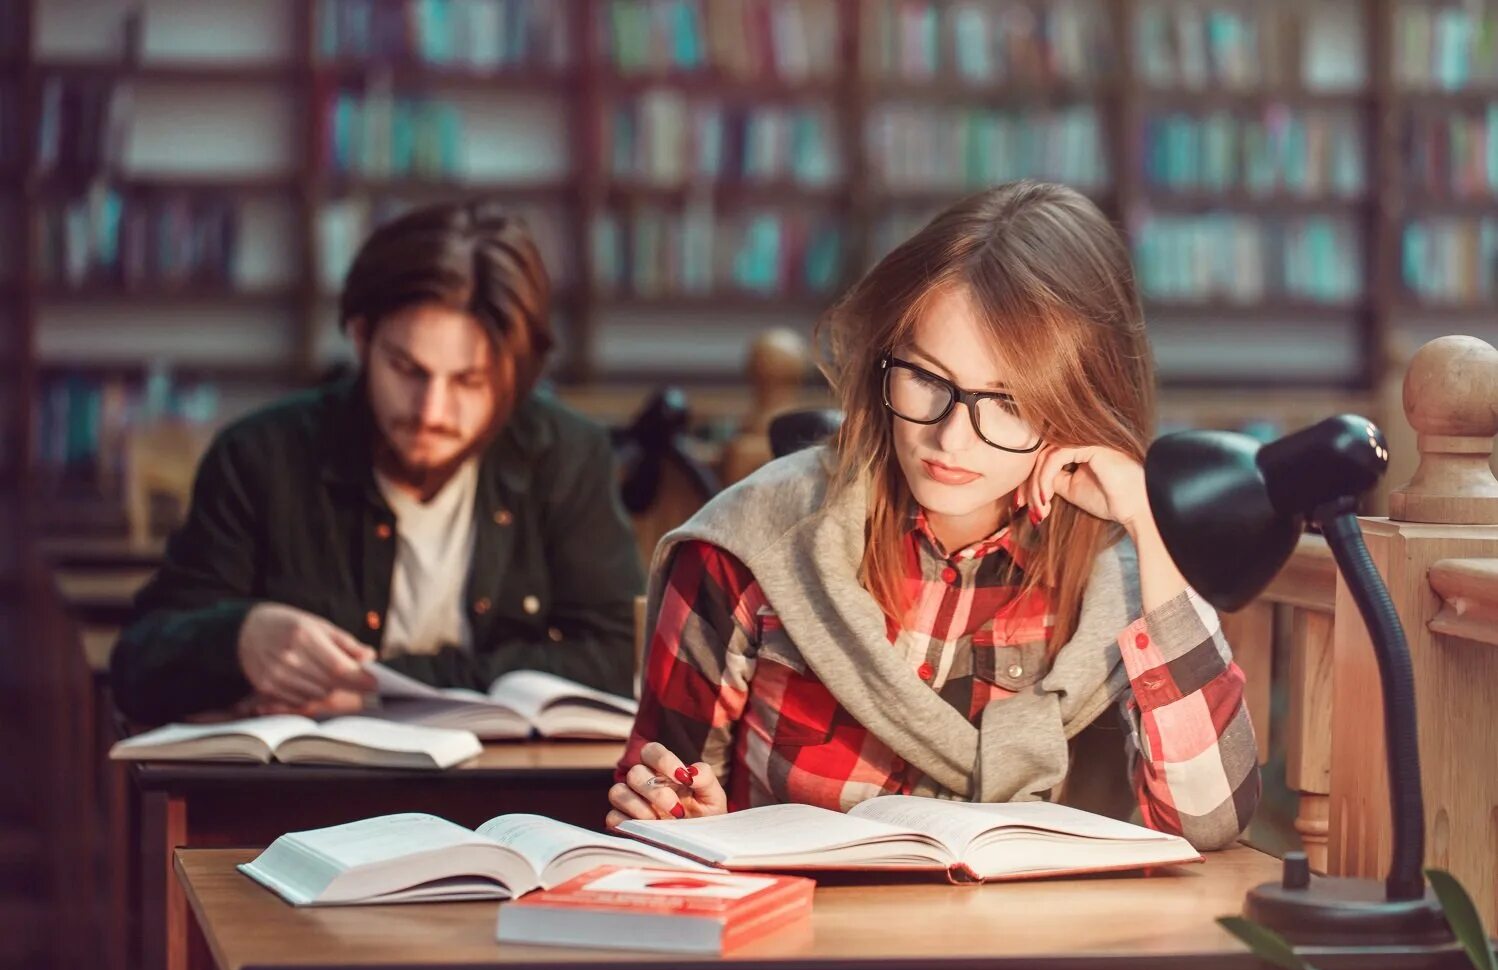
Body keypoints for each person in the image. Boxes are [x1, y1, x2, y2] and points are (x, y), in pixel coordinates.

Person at [609, 181, 1259, 849]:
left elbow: (1206, 824)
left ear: (1079, 406)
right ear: (881, 363)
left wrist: (1148, 525)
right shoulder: (748, 545)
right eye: (925, 377)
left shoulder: (1122, 577)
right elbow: (658, 812)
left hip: (1049, 948)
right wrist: (679, 819)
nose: (951, 439)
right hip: (811, 945)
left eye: (1007, 401)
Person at [112, 202, 644, 724]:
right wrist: (238, 640)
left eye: (469, 381)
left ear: (514, 375)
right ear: (361, 337)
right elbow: (136, 667)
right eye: (406, 368)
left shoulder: (567, 457)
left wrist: (382, 684)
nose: (431, 411)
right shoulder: (259, 457)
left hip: (512, 793)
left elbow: (620, 656)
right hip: (302, 796)